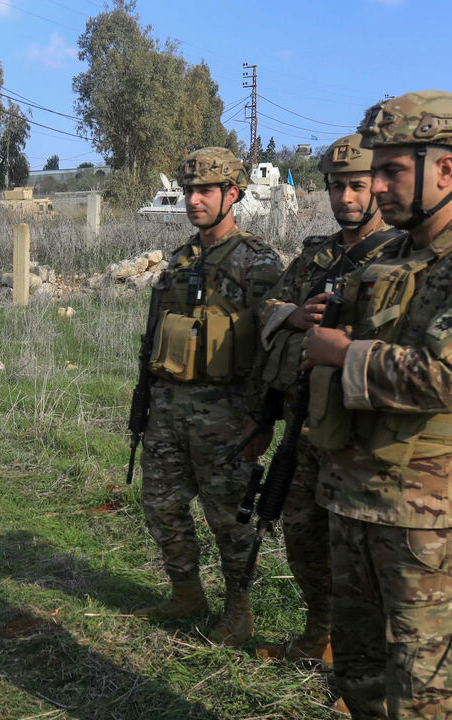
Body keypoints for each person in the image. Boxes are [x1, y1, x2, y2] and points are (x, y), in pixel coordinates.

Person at [302, 91, 452, 719]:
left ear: (446, 169)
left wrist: (342, 354)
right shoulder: (390, 257)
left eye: (392, 171)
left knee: (432, 697)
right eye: (373, 170)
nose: (376, 186)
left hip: (431, 517)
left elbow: (449, 378)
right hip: (356, 498)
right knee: (360, 680)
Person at [254, 136, 405, 663]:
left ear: (379, 187)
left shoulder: (401, 257)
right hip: (305, 422)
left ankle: (362, 663)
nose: (345, 197)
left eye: (357, 185)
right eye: (337, 186)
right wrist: (292, 315)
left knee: (358, 553)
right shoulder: (315, 256)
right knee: (303, 538)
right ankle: (320, 634)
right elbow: (268, 302)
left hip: (361, 433)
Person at [135, 146, 283, 646]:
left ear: (232, 194)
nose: (194, 200)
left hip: (226, 414)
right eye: (188, 191)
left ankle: (238, 612)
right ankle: (186, 594)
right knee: (160, 506)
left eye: (205, 191)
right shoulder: (178, 262)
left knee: (229, 520)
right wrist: (147, 399)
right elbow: (155, 334)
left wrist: (261, 419)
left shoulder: (256, 261)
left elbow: (272, 346)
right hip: (169, 410)